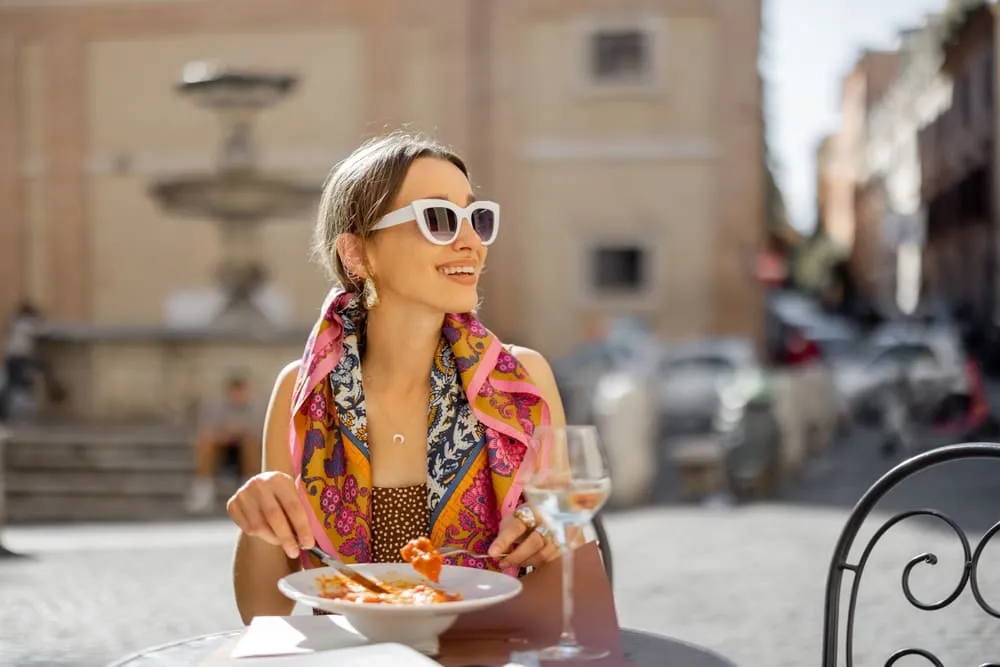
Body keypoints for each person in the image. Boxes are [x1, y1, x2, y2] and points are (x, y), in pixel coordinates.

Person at [225, 132, 572, 623]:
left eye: (476, 218)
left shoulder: (521, 382)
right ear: (358, 253)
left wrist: (552, 531)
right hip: (353, 655)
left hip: (490, 652)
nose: (471, 242)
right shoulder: (301, 393)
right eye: (439, 219)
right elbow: (263, 612)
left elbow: (570, 565)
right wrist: (260, 518)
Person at [185, 375, 263, 513]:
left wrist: (238, 433)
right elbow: (207, 430)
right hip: (222, 447)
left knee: (251, 443)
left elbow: (258, 432)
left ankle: (249, 487)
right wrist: (226, 434)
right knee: (205, 443)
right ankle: (203, 487)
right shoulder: (216, 409)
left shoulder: (254, 409)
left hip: (244, 448)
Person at [0, 301, 65, 423]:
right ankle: (53, 392)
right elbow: (41, 330)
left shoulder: (15, 322)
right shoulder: (25, 323)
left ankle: (41, 388)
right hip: (19, 357)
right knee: (14, 384)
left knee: (11, 384)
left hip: (13, 357)